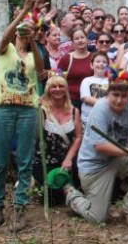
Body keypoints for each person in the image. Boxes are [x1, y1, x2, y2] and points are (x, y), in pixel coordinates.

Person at [0, 0, 46, 231]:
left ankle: (19, 210)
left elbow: (40, 71)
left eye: (27, 29)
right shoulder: (5, 50)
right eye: (21, 29)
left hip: (27, 111)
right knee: (0, 162)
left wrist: (33, 40)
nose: (22, 32)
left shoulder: (33, 55)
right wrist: (23, 10)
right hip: (4, 109)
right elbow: (4, 38)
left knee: (25, 161)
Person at [64, 76, 128, 227]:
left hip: (117, 159)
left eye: (124, 96)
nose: (119, 100)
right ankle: (72, 196)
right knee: (97, 218)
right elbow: (100, 146)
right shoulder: (100, 108)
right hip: (94, 166)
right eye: (115, 95)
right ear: (108, 93)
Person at [33, 75, 83, 205]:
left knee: (66, 194)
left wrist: (68, 159)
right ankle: (33, 182)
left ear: (66, 89)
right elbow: (33, 134)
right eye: (53, 86)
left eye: (61, 86)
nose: (57, 89)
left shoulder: (74, 111)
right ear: (48, 90)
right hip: (44, 161)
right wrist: (35, 110)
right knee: (51, 200)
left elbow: (78, 137)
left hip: (66, 161)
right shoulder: (41, 111)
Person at [57, 27, 94, 110]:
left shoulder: (94, 57)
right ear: (72, 42)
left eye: (82, 37)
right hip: (71, 101)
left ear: (87, 39)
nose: (80, 40)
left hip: (92, 101)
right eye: (76, 39)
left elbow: (107, 73)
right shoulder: (66, 59)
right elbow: (58, 78)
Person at [80, 52, 110, 125]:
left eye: (104, 62)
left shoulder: (111, 82)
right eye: (98, 61)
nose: (101, 64)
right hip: (88, 120)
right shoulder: (86, 80)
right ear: (91, 65)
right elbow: (86, 98)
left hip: (106, 119)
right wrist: (106, 104)